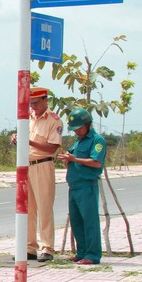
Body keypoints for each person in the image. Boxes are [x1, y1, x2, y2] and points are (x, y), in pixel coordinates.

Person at [11, 86, 62, 262]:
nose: (33, 107)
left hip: (43, 165)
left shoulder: (53, 121)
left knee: (44, 207)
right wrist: (17, 139)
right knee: (28, 209)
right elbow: (25, 140)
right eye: (31, 103)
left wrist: (29, 140)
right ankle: (29, 248)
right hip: (27, 166)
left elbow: (52, 147)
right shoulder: (28, 119)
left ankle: (47, 248)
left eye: (36, 103)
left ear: (45, 101)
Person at [57, 107, 107, 265]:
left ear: (87, 124)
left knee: (89, 220)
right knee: (76, 221)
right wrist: (67, 160)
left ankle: (92, 255)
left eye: (78, 128)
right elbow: (73, 161)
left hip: (87, 186)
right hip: (74, 186)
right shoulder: (78, 142)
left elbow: (96, 162)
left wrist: (75, 160)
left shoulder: (97, 140)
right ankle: (82, 252)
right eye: (74, 129)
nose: (76, 132)